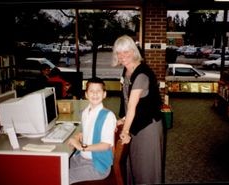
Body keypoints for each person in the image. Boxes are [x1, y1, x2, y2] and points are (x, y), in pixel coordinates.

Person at [112, 35, 164, 184]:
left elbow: (133, 107)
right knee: (132, 164)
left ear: (134, 52)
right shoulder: (127, 70)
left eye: (126, 52)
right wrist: (122, 119)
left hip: (148, 127)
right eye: (119, 53)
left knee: (146, 169)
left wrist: (125, 131)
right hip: (134, 122)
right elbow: (126, 100)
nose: (122, 56)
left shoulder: (141, 74)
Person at [67, 77, 117, 184]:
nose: (95, 94)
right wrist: (78, 136)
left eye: (98, 91)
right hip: (82, 158)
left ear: (104, 94)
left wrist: (81, 147)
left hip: (98, 165)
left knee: (62, 176)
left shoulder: (108, 116)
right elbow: (90, 132)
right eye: (91, 91)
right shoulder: (85, 112)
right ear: (86, 94)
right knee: (57, 167)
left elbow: (106, 145)